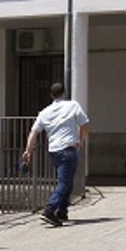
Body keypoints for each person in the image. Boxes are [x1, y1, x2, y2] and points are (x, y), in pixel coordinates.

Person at [21, 82, 89, 227]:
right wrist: (81, 141)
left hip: (54, 151)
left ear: (51, 95)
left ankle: (62, 211)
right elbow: (84, 125)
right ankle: (50, 210)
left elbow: (33, 132)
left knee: (66, 180)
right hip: (68, 150)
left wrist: (28, 151)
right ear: (64, 93)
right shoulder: (73, 105)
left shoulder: (44, 112)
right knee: (64, 183)